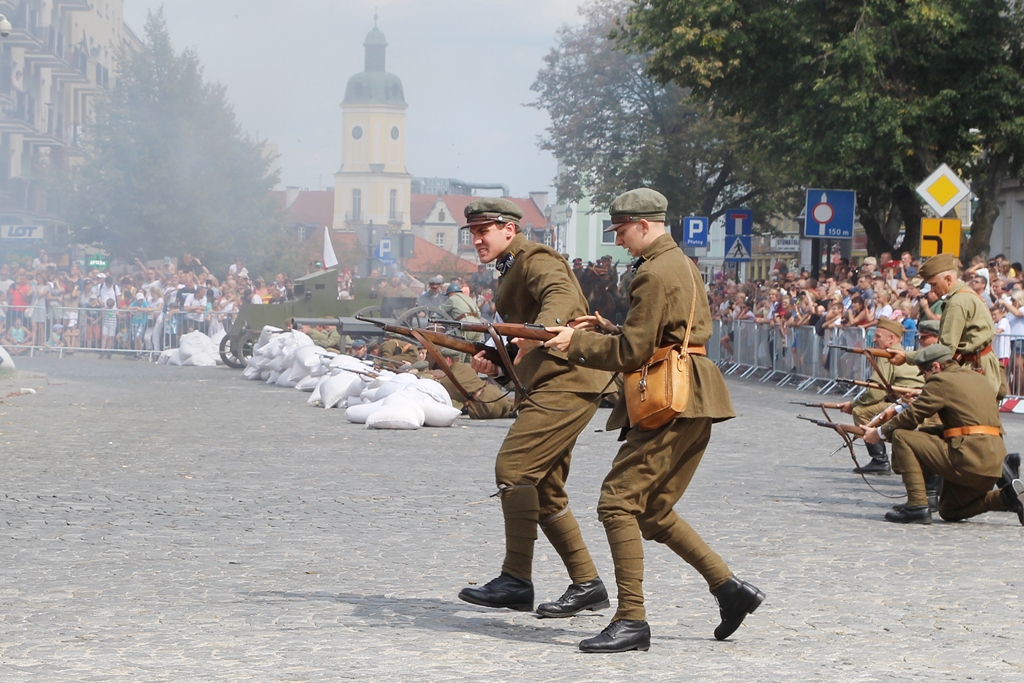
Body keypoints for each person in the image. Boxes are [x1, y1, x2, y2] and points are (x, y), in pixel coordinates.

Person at [544, 188, 762, 652]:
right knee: (654, 510)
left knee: (616, 502)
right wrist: (610, 329)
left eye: (622, 230)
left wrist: (573, 343)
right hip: (694, 394)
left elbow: (633, 352)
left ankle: (631, 619)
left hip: (671, 397)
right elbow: (664, 333)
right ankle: (729, 589)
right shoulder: (679, 262)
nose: (618, 240)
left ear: (644, 225)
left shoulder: (652, 273)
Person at [457, 197, 614, 621]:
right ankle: (587, 584)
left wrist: (536, 332)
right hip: (551, 382)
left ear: (509, 229)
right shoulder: (510, 267)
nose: (476, 239)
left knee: (514, 468)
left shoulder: (535, 257)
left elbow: (559, 297)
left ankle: (515, 579)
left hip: (567, 382)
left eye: (483, 231)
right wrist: (498, 358)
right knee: (544, 489)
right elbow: (524, 339)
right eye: (473, 232)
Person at [864, 344, 1023, 526]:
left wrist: (879, 432)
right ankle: (1005, 497)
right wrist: (921, 435)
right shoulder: (978, 378)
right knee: (949, 511)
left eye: (924, 372)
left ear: (936, 366)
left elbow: (913, 415)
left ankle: (916, 506)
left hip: (969, 459)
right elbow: (965, 425)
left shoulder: (940, 380)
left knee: (901, 436)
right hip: (994, 463)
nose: (924, 378)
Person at [891, 253, 1007, 400]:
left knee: (968, 412)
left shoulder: (957, 302)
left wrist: (908, 357)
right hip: (978, 364)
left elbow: (945, 349)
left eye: (934, 284)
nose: (932, 290)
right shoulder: (966, 295)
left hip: (974, 367)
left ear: (948, 279)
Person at [431, 347, 515, 419]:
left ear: (447, 360)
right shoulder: (468, 366)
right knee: (509, 406)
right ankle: (512, 409)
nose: (439, 364)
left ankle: (509, 412)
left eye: (440, 360)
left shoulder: (446, 381)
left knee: (498, 412)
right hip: (496, 394)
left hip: (484, 407)